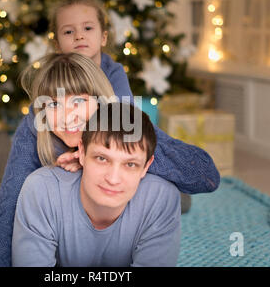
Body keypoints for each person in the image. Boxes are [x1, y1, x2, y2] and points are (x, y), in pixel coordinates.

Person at [0, 0, 220, 267]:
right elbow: (9, 205)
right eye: (69, 31)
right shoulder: (39, 126)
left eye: (80, 101)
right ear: (56, 43)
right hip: (63, 202)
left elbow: (206, 176)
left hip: (131, 186)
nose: (79, 37)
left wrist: (111, 154)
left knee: (166, 193)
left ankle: (159, 183)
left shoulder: (118, 109)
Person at [12, 102, 181, 267]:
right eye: (102, 159)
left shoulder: (162, 197)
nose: (113, 179)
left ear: (147, 166)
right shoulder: (41, 189)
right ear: (82, 152)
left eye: (130, 164)